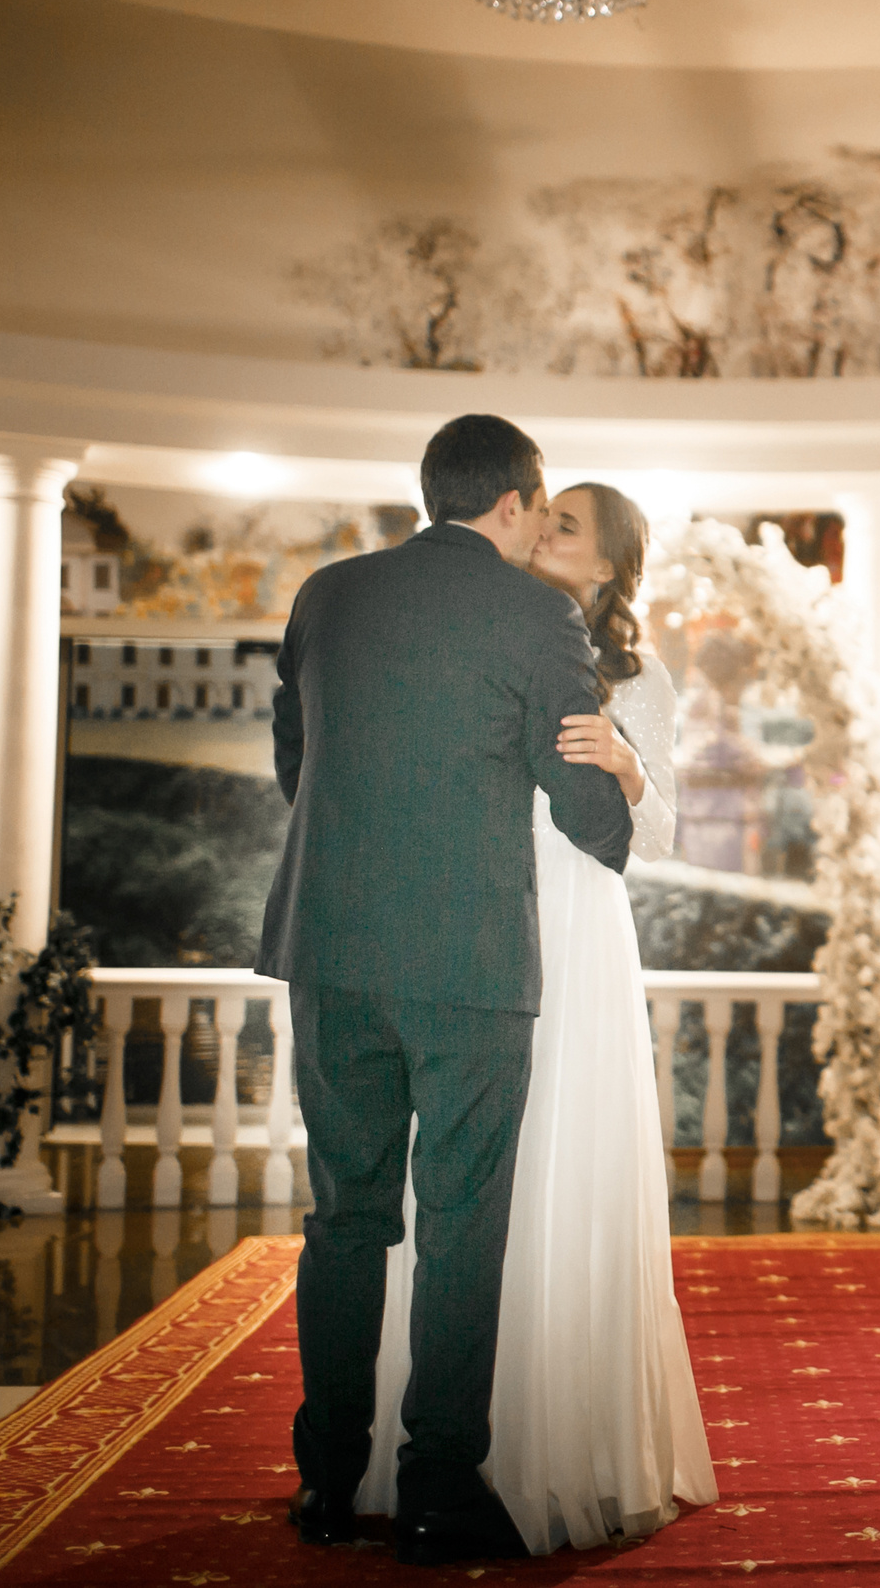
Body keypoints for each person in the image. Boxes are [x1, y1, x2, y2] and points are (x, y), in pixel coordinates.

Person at [257, 415, 635, 1568]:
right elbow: (576, 787)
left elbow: (294, 749)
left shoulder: (328, 593)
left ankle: (326, 1481)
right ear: (514, 503)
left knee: (344, 1217)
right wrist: (617, 806)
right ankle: (435, 1487)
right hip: (468, 964)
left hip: (331, 948)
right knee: (461, 1224)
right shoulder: (535, 613)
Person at [354, 481, 717, 1552]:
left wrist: (629, 765)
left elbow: (663, 834)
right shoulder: (482, 631)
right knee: (465, 1169)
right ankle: (446, 1442)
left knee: (565, 1141)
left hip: (578, 915)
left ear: (605, 564)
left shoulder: (637, 674)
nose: (540, 530)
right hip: (474, 907)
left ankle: (571, 1449)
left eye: (566, 524)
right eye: (540, 513)